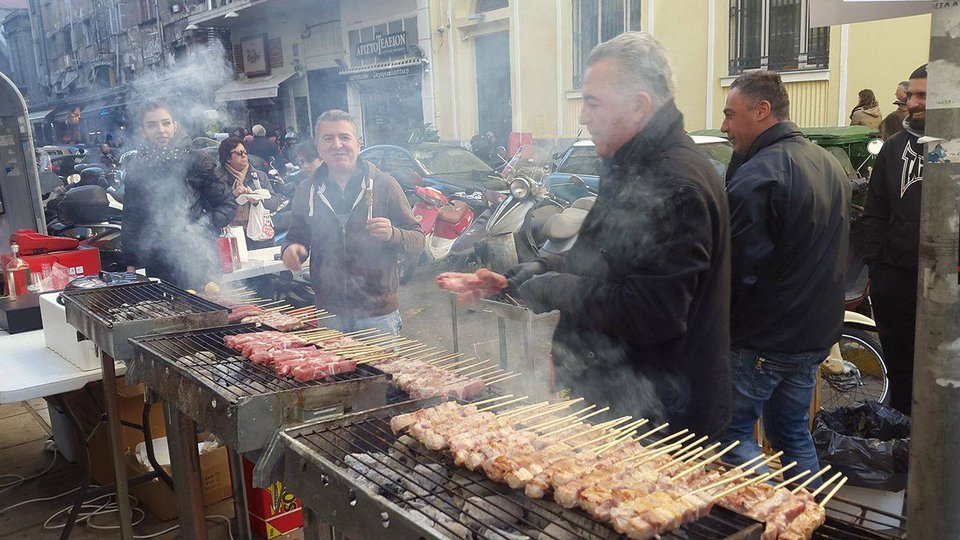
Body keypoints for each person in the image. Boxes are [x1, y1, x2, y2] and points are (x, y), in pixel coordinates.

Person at [493, 33, 732, 437]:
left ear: (639, 106)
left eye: (593, 102)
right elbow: (606, 261)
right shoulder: (632, 166)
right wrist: (529, 273)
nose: (583, 116)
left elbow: (653, 313)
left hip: (659, 417)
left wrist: (554, 288)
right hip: (613, 400)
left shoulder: (675, 185)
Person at [718, 71, 850, 486]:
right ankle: (804, 519)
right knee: (792, 433)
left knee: (731, 435)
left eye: (729, 115)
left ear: (762, 110)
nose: (724, 127)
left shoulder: (761, 174)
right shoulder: (827, 162)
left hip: (764, 339)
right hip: (813, 334)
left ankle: (775, 514)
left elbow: (737, 271)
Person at [281, 110, 424, 335]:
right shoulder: (306, 190)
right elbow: (295, 237)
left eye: (344, 137)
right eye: (328, 138)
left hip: (377, 315)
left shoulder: (385, 185)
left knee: (380, 371)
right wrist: (291, 249)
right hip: (329, 313)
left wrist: (393, 234)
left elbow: (418, 240)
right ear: (319, 147)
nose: (337, 144)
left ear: (359, 143)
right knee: (334, 371)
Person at [863, 64, 927, 417]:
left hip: (947, 288)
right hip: (897, 283)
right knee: (902, 377)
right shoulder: (892, 148)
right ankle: (904, 455)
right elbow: (875, 212)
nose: (912, 103)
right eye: (911, 95)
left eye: (923, 96)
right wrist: (878, 271)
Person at [122, 100, 237, 289]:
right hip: (156, 262)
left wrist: (200, 227)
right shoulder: (137, 166)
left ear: (175, 125)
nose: (161, 130)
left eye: (166, 123)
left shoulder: (198, 160)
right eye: (152, 125)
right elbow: (131, 218)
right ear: (143, 131)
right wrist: (131, 261)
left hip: (198, 258)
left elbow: (227, 204)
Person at [218, 136, 280, 249]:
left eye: (245, 152)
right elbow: (215, 209)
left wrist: (258, 198)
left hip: (261, 238)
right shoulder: (218, 179)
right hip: (233, 238)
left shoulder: (260, 176)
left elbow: (274, 203)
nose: (243, 156)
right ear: (227, 158)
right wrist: (233, 196)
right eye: (238, 153)